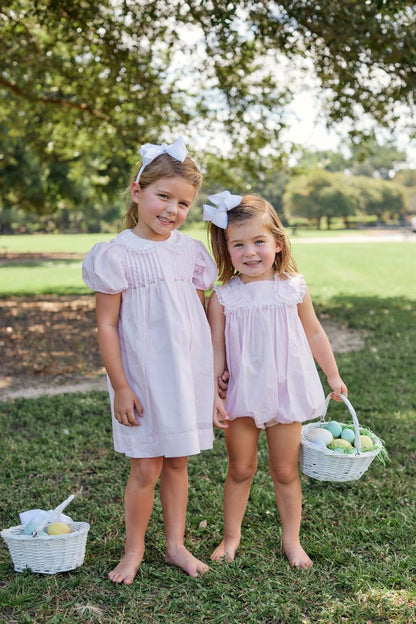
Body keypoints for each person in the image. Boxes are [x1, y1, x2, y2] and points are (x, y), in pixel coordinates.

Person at [82, 137, 217, 584]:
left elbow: (196, 313)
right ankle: (133, 550)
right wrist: (120, 385)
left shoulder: (191, 251)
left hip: (185, 373)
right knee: (146, 467)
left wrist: (213, 376)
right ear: (138, 191)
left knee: (178, 461)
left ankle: (176, 545)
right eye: (164, 196)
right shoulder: (115, 254)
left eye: (183, 203)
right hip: (140, 376)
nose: (172, 210)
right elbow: (106, 325)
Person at [204, 192, 348, 569]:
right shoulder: (223, 297)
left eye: (258, 242)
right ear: (226, 248)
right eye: (238, 244)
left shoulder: (293, 288)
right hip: (242, 395)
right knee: (240, 468)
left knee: (284, 470)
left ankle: (292, 541)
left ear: (278, 243)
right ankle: (231, 537)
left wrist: (332, 375)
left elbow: (315, 332)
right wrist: (214, 392)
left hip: (285, 392)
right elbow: (215, 349)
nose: (250, 252)